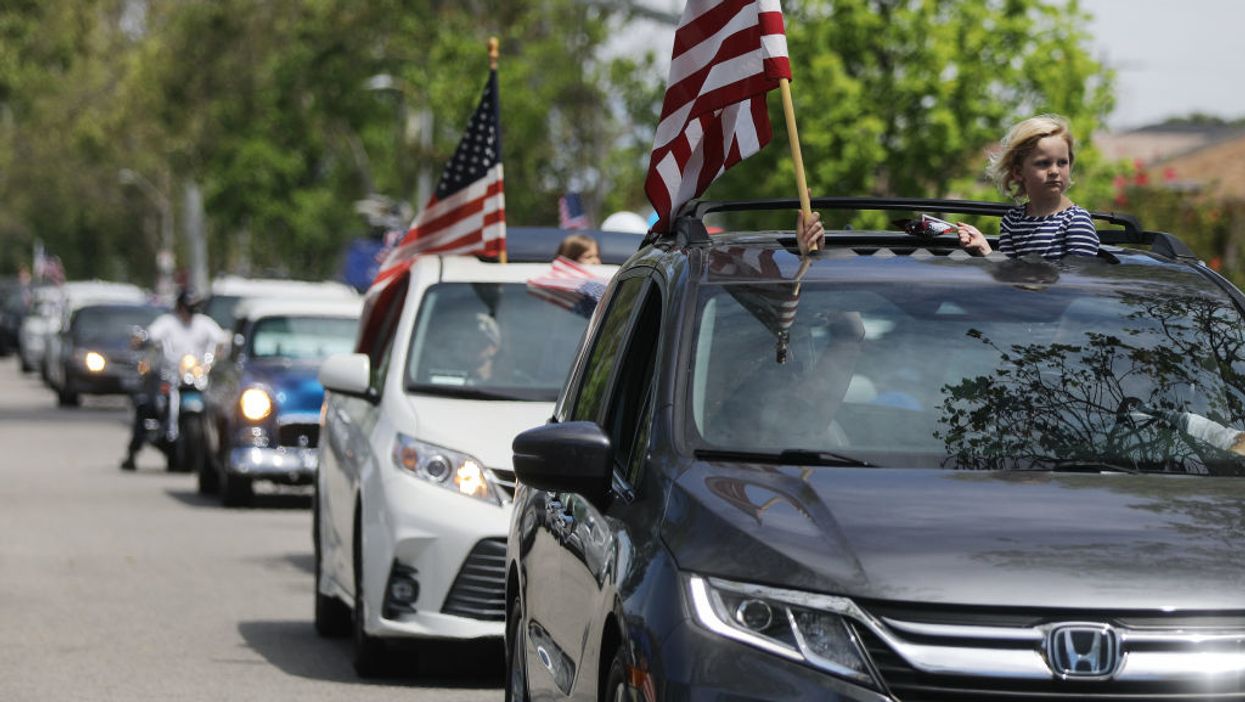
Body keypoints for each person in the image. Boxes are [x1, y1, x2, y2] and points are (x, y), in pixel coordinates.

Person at [954, 114, 1099, 260]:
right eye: (1043, 163)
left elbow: (1080, 277)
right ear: (1018, 172)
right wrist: (984, 248)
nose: (1055, 171)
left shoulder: (1076, 220)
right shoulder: (1012, 220)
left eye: (1062, 162)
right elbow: (1007, 273)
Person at [121, 290, 226, 470]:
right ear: (179, 308)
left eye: (194, 309)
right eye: (187, 309)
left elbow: (221, 340)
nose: (190, 313)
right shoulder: (168, 323)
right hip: (170, 377)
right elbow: (152, 334)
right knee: (146, 407)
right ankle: (133, 452)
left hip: (196, 376)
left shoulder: (204, 324)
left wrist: (219, 352)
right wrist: (142, 338)